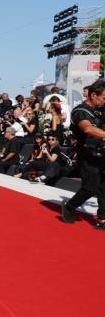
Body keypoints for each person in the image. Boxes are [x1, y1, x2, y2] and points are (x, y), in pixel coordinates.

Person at [62, 79, 105, 230]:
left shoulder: (102, 109)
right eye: (104, 97)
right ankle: (69, 206)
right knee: (90, 188)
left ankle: (102, 219)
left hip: (103, 154)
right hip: (87, 156)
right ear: (93, 95)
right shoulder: (80, 111)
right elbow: (88, 129)